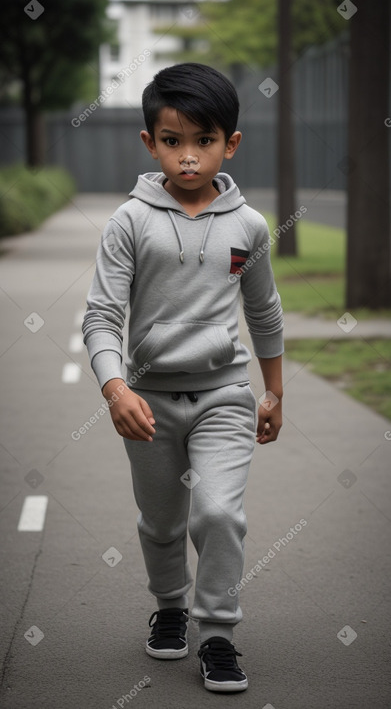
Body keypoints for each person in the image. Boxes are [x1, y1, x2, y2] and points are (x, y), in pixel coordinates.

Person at [82, 62, 284, 693]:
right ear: (150, 142)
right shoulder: (129, 222)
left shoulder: (248, 226)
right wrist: (115, 389)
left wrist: (274, 389)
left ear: (231, 144)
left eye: (205, 140)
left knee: (220, 512)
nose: (189, 156)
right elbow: (101, 317)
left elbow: (264, 312)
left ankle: (218, 634)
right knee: (163, 521)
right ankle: (170, 607)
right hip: (148, 402)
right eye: (173, 141)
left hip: (225, 394)